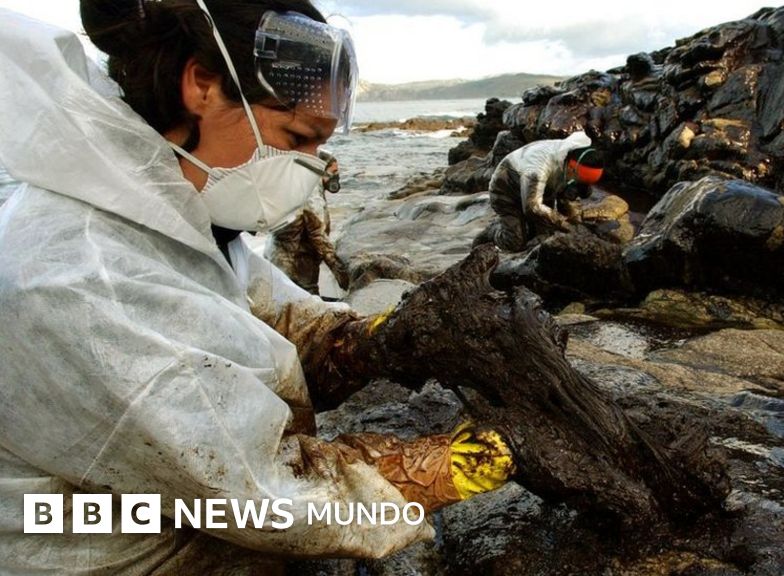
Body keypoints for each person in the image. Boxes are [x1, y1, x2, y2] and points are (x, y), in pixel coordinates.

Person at [0, 1, 512, 573]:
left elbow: (271, 316)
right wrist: (447, 468)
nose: (311, 166)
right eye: (296, 137)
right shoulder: (83, 278)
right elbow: (266, 498)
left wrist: (377, 340)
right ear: (202, 85)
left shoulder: (168, 213)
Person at [474, 132, 607, 252]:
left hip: (545, 188)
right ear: (571, 168)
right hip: (506, 189)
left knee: (545, 235)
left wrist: (576, 222)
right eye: (579, 180)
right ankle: (494, 230)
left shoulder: (576, 155)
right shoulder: (538, 169)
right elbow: (532, 207)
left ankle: (527, 226)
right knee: (515, 242)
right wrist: (564, 223)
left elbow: (571, 199)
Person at [265, 152, 351, 295]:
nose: (336, 176)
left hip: (280, 256)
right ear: (320, 170)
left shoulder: (299, 184)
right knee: (304, 297)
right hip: (296, 262)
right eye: (334, 171)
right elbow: (318, 234)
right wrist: (338, 268)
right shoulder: (311, 192)